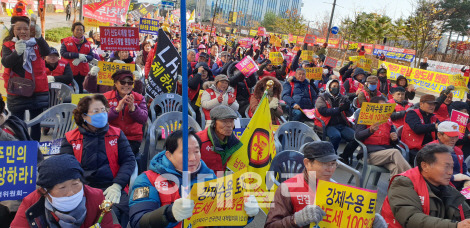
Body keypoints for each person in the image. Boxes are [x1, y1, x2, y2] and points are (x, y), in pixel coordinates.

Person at [129, 130, 259, 228]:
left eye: (197, 152)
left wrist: (245, 214)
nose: (193, 158)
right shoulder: (147, 180)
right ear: (169, 155)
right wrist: (169, 214)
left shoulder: (210, 178)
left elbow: (221, 222)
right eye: (185, 153)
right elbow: (139, 221)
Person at [265, 141, 386, 228]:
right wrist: (295, 220)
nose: (330, 169)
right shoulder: (287, 189)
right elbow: (270, 225)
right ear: (307, 163)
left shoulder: (339, 192)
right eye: (324, 164)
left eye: (333, 164)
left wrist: (369, 222)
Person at [60, 94, 136, 226]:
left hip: (111, 187)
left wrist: (117, 185)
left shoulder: (116, 134)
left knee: (114, 215)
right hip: (82, 189)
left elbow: (129, 160)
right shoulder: (70, 138)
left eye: (103, 110)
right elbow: (66, 166)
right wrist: (80, 189)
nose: (101, 114)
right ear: (84, 116)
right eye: (96, 111)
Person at [10, 154, 114, 228]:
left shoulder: (96, 198)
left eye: (75, 184)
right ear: (45, 192)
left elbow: (110, 225)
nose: (71, 192)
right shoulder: (31, 203)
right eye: (62, 188)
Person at [381, 144, 470, 228]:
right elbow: (411, 218)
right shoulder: (403, 183)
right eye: (446, 166)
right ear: (425, 166)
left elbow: (466, 212)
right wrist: (456, 226)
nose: (450, 172)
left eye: (452, 167)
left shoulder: (447, 188)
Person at [1, 15, 50, 141]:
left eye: (26, 28)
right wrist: (17, 52)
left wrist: (39, 37)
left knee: (36, 123)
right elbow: (6, 63)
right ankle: (22, 150)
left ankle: (35, 152)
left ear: (31, 29)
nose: (22, 31)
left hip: (37, 89)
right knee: (17, 124)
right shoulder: (8, 45)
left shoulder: (37, 42)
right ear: (13, 30)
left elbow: (46, 52)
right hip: (17, 89)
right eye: (19, 28)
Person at [355, 96, 411, 176]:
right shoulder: (365, 117)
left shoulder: (387, 120)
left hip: (386, 152)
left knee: (396, 168)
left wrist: (394, 138)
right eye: (381, 106)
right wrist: (369, 130)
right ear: (373, 106)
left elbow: (396, 140)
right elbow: (357, 136)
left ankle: (395, 188)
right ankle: (414, 179)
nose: (383, 109)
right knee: (395, 152)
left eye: (385, 106)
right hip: (369, 153)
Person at [103, 70, 148, 156]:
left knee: (123, 154)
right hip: (110, 135)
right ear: (115, 83)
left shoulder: (139, 98)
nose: (126, 85)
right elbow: (101, 117)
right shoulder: (106, 97)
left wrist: (133, 109)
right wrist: (116, 110)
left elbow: (144, 119)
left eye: (130, 83)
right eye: (123, 82)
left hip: (132, 138)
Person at [314, 79, 356, 162]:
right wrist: (339, 109)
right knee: (336, 136)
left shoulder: (343, 97)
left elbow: (350, 114)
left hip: (342, 124)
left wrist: (348, 108)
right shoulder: (322, 98)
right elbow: (324, 112)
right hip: (328, 124)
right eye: (333, 86)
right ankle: (331, 156)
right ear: (329, 88)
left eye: (337, 86)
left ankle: (344, 156)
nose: (335, 88)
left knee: (356, 137)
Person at [196, 105, 243, 175]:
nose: (229, 125)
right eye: (224, 121)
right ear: (214, 123)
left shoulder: (237, 142)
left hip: (228, 182)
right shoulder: (198, 140)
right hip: (204, 182)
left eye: (231, 121)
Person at [426, 121, 470, 190]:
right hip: (439, 188)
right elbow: (428, 174)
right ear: (439, 135)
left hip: (459, 187)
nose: (454, 140)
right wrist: (453, 177)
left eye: (456, 136)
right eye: (450, 136)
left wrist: (467, 180)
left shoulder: (458, 151)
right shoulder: (429, 150)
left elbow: (464, 170)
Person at [401, 94, 439, 164]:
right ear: (421, 104)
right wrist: (434, 126)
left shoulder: (433, 117)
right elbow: (417, 129)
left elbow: (440, 128)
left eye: (434, 105)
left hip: (429, 148)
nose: (432, 107)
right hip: (413, 149)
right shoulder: (412, 113)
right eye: (430, 104)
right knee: (433, 162)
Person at [60, 22, 94, 93]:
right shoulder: (66, 41)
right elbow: (63, 53)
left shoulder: (87, 43)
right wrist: (77, 55)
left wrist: (84, 57)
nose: (79, 32)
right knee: (69, 91)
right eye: (77, 30)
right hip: (69, 71)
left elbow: (91, 56)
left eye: (81, 30)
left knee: (80, 90)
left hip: (82, 72)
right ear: (73, 30)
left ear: (84, 31)